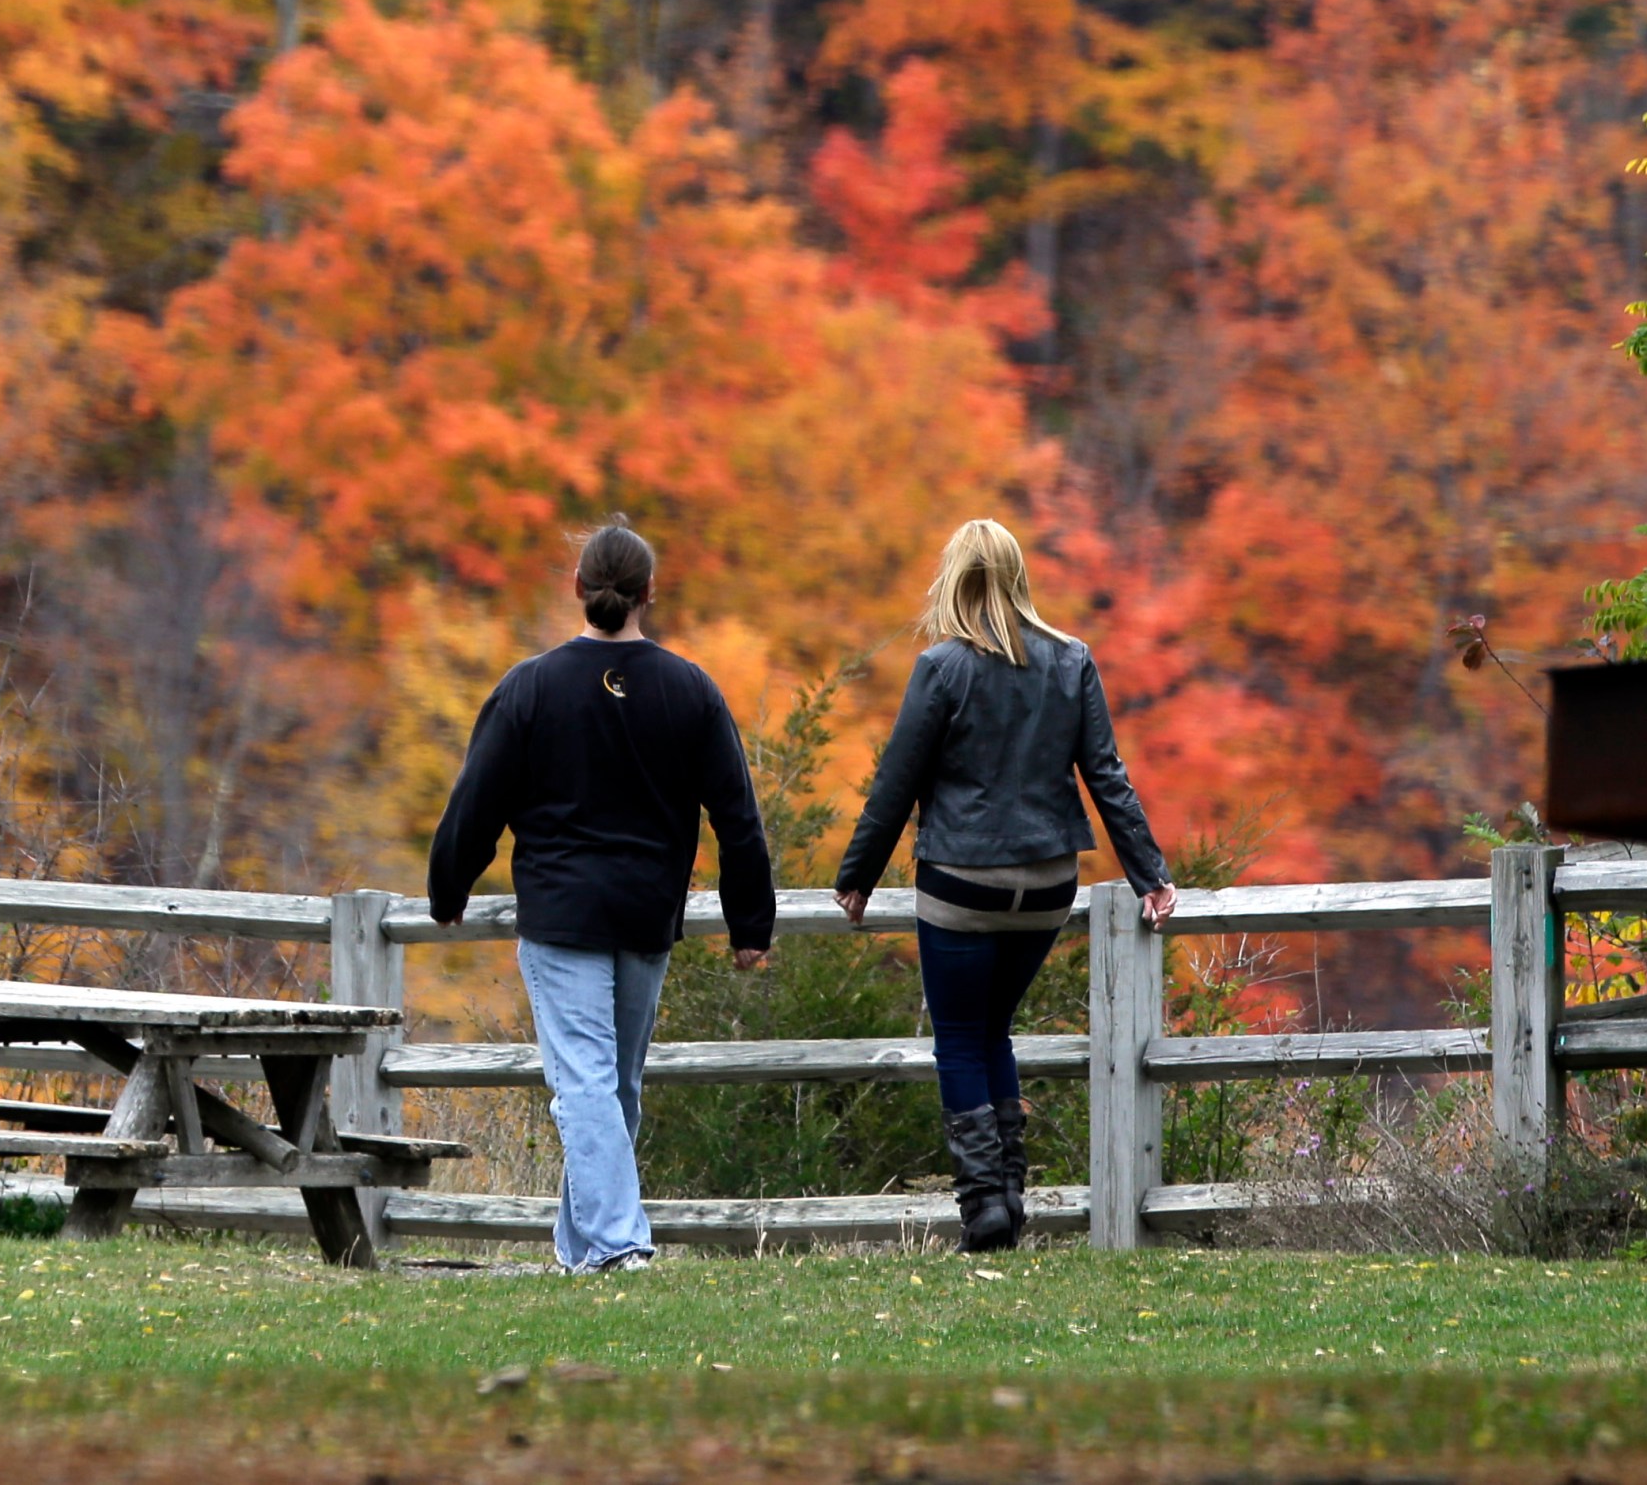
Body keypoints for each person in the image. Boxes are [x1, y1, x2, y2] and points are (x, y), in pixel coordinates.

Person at [428, 519, 775, 1272]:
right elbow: (737, 815)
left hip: (560, 916)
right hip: (647, 914)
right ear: (650, 592)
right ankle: (589, 1252)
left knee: (593, 1084)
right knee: (609, 1085)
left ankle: (615, 1246)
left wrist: (448, 885)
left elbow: (476, 800)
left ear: (578, 588)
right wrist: (752, 921)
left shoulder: (530, 687)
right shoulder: (689, 689)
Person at [835, 517, 1175, 1253]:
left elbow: (896, 784)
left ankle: (985, 1205)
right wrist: (1150, 873)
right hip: (1047, 885)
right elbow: (1105, 774)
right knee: (995, 1030)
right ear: (1019, 576)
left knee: (959, 1039)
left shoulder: (942, 667)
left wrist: (857, 876)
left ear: (954, 578)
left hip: (962, 880)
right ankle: (1011, 1198)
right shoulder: (1072, 659)